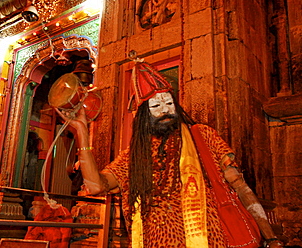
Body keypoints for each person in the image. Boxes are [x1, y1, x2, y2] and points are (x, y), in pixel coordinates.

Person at [56, 61, 283, 248]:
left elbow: (240, 186)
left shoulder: (202, 136)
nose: (165, 110)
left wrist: (270, 237)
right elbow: (96, 186)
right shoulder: (133, 157)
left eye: (169, 103)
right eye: (156, 106)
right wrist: (82, 134)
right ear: (144, 115)